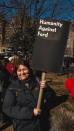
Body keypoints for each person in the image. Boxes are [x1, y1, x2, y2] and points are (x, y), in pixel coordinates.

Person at [2, 60, 46, 131]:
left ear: (29, 70)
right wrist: (30, 112)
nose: (22, 73)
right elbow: (7, 108)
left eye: (24, 69)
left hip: (41, 124)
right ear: (16, 72)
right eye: (19, 70)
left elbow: (51, 97)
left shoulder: (37, 82)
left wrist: (45, 89)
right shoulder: (12, 87)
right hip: (23, 126)